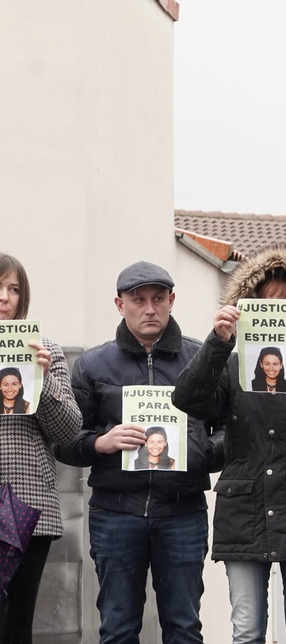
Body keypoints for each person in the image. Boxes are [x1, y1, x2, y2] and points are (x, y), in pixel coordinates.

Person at [172, 244, 286, 644]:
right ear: (250, 306)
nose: (279, 310)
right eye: (269, 302)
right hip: (243, 511)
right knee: (247, 632)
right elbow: (187, 399)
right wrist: (218, 342)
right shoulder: (233, 364)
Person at [56, 261, 216, 644]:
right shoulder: (93, 364)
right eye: (138, 300)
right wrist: (100, 442)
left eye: (158, 299)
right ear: (119, 303)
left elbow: (233, 433)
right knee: (117, 627)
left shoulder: (202, 359)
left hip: (183, 512)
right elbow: (64, 437)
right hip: (115, 513)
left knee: (184, 627)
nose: (149, 308)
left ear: (172, 300)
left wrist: (197, 450)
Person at [0, 253, 81, 643]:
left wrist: (43, 379)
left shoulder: (46, 350)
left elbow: (68, 429)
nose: (5, 297)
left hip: (30, 502)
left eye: (13, 289)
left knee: (17, 624)